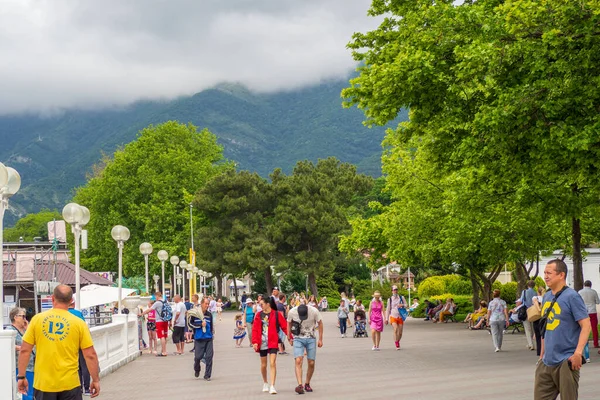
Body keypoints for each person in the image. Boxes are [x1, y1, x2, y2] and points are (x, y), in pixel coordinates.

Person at [17, 284, 100, 398]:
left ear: (52, 298)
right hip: (70, 384)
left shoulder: (37, 319)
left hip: (44, 384)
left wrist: (21, 376)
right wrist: (95, 380)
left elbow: (25, 350)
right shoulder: (78, 323)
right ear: (71, 301)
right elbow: (90, 355)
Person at [534, 259, 591, 399]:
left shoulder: (572, 296)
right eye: (544, 273)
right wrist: (541, 356)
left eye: (549, 273)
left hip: (566, 361)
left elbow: (586, 325)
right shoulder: (547, 296)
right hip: (546, 362)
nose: (545, 276)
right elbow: (544, 328)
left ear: (561, 275)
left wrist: (578, 353)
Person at [252, 296, 287, 395]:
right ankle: (265, 382)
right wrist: (254, 342)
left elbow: (284, 326)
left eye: (262, 304)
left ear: (268, 304)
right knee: (263, 365)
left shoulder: (276, 314)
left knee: (272, 363)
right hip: (262, 342)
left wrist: (291, 337)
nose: (260, 306)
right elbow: (255, 329)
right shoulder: (259, 315)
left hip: (272, 341)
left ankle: (272, 385)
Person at [288, 303, 323, 394]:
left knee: (311, 362)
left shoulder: (314, 311)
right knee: (298, 360)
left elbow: (320, 323)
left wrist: (320, 339)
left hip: (311, 338)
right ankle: (300, 385)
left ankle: (307, 383)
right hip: (298, 338)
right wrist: (289, 337)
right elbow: (289, 323)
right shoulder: (292, 312)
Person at [8, 307, 35, 400]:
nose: (25, 319)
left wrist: (28, 329)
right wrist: (20, 348)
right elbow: (8, 344)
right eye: (23, 316)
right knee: (26, 392)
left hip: (31, 365)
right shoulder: (10, 331)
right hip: (21, 366)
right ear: (15, 317)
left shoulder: (25, 330)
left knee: (30, 392)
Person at [68, 299, 91, 395]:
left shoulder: (63, 315)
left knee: (75, 366)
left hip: (69, 344)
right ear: (73, 303)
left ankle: (79, 387)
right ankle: (86, 388)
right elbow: (84, 328)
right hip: (81, 343)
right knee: (84, 366)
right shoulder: (78, 314)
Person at [190, 297, 215, 381]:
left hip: (208, 338)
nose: (207, 305)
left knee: (209, 357)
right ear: (201, 304)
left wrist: (212, 333)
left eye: (208, 304)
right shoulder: (195, 313)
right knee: (198, 357)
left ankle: (207, 375)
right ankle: (197, 369)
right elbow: (190, 324)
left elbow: (211, 325)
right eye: (206, 304)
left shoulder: (209, 314)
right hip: (199, 338)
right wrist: (200, 325)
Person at [141, 291, 168, 356]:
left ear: (157, 296)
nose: (155, 298)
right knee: (164, 336)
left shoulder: (157, 303)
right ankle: (163, 350)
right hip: (165, 320)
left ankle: (164, 352)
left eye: (155, 296)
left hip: (159, 321)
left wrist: (142, 313)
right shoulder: (165, 302)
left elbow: (150, 309)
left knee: (161, 336)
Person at [578, 280, 600, 350]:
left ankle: (583, 343)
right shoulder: (593, 292)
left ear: (584, 285)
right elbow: (597, 301)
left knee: (583, 328)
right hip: (592, 311)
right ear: (590, 285)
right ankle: (596, 343)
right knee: (594, 328)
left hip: (584, 311)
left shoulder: (580, 292)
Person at [385, 285, 407, 350]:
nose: (395, 291)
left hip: (400, 316)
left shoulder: (401, 297)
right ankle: (396, 344)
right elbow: (388, 309)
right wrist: (386, 319)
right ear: (392, 291)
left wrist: (402, 305)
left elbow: (406, 305)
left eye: (396, 289)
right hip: (393, 315)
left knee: (400, 332)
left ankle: (397, 341)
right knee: (396, 329)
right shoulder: (390, 299)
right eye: (394, 290)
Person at [520, 280, 537, 351]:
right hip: (534, 311)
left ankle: (530, 344)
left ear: (528, 285)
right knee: (533, 328)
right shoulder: (535, 292)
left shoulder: (524, 292)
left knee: (527, 328)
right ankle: (535, 343)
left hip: (526, 310)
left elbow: (521, 300)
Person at [532, 287, 545, 357]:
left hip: (536, 317)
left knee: (538, 335)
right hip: (543, 317)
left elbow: (535, 302)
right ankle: (544, 350)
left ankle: (539, 351)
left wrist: (538, 309)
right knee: (543, 334)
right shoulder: (545, 297)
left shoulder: (535, 297)